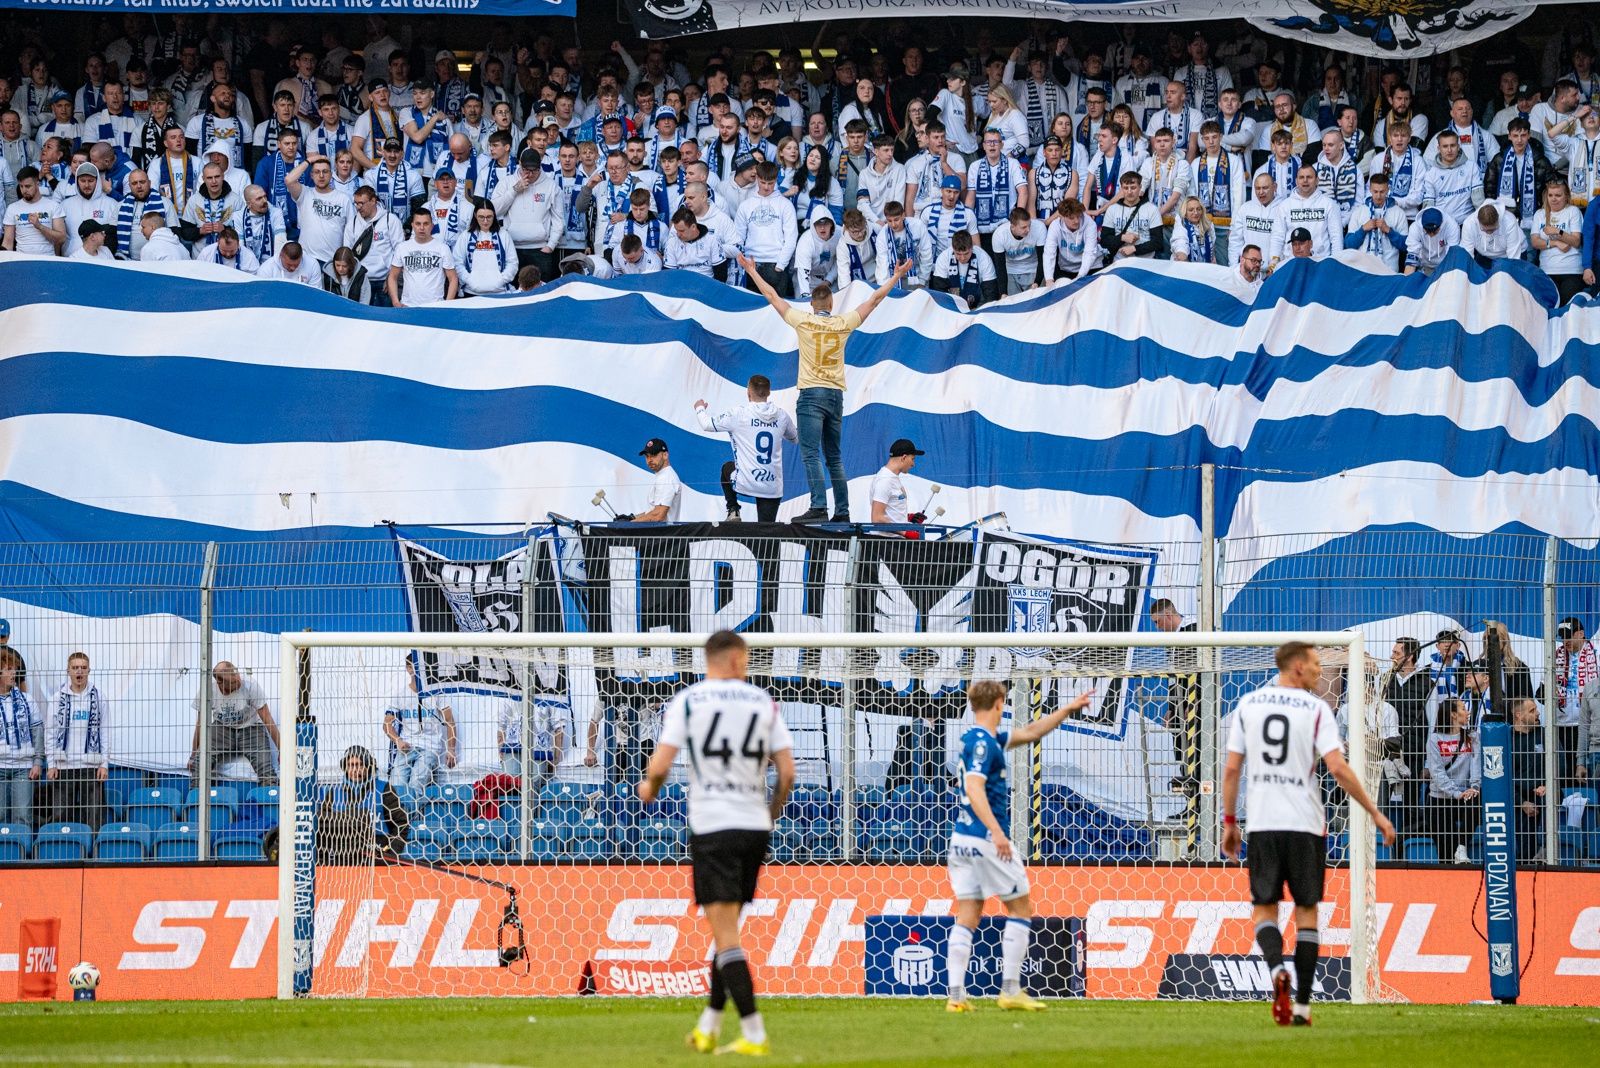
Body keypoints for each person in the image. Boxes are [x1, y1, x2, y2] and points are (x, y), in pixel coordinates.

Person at [1222, 641, 1396, 1026]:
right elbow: (1338, 768)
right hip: (1305, 824)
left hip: (1263, 823)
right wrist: (1375, 813)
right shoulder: (1317, 709)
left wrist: (1230, 823)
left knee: (1264, 909)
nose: (1321, 671)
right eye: (1317, 664)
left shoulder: (1249, 705)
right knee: (1306, 913)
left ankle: (1274, 972)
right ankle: (1301, 1006)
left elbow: (1232, 770)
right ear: (1297, 666)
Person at [639, 629, 795, 1057]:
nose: (746, 668)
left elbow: (661, 763)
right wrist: (770, 815)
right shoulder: (762, 702)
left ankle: (755, 1032)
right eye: (744, 661)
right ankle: (708, 1027)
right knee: (727, 930)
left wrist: (648, 787)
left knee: (726, 937)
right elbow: (787, 773)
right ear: (731, 660)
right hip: (754, 828)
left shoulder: (689, 700)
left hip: (713, 826)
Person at [945, 680, 1092, 1012]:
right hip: (985, 837)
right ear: (1000, 702)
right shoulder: (984, 744)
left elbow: (1030, 733)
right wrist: (997, 832)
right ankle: (1010, 990)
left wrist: (1067, 710)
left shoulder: (978, 738)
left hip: (961, 840)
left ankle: (955, 998)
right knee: (1020, 906)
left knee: (968, 912)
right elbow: (974, 787)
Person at [737, 251, 910, 522]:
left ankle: (819, 506)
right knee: (834, 457)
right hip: (834, 395)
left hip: (811, 394)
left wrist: (751, 271)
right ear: (831, 303)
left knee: (810, 453)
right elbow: (874, 300)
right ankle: (842, 511)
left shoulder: (803, 320)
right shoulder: (842, 323)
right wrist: (897, 276)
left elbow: (772, 296)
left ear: (811, 305)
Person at [693, 375, 797, 524]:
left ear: (748, 392)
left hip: (746, 482)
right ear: (768, 393)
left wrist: (699, 408)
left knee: (726, 468)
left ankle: (733, 510)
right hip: (771, 485)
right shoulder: (782, 416)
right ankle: (767, 544)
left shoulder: (738, 414)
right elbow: (795, 438)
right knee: (767, 535)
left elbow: (706, 424)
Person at [44, 652, 108, 828]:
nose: (79, 672)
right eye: (75, 668)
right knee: (62, 815)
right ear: (68, 671)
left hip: (91, 766)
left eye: (83, 668)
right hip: (64, 765)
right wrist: (51, 764)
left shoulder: (99, 697)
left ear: (89, 670)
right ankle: (64, 852)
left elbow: (104, 732)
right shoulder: (57, 698)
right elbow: (50, 732)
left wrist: (104, 764)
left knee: (94, 816)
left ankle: (93, 854)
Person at [316, 745, 410, 863]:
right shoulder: (334, 793)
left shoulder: (384, 789)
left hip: (377, 854)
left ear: (368, 766)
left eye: (360, 764)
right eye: (350, 765)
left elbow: (401, 824)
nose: (355, 769)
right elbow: (323, 826)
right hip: (342, 855)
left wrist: (391, 853)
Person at [191, 660, 280, 785]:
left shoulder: (249, 684)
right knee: (199, 765)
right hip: (222, 728)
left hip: (250, 727)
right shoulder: (208, 688)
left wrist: (282, 750)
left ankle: (270, 796)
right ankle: (199, 799)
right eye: (233, 683)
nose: (238, 682)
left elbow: (267, 719)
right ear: (219, 683)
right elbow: (200, 723)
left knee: (266, 771)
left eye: (237, 678)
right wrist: (193, 755)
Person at [382, 656, 456, 802]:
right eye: (413, 666)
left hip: (429, 747)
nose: (417, 670)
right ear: (408, 668)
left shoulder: (436, 693)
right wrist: (398, 740)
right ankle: (399, 820)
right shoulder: (400, 695)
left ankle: (407, 822)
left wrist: (451, 750)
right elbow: (386, 724)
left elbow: (450, 722)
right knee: (396, 787)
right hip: (406, 747)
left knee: (415, 785)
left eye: (421, 666)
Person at [1425, 696, 1481, 863]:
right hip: (1439, 798)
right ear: (1453, 715)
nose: (1468, 712)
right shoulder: (1435, 739)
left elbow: (1476, 765)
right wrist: (1456, 793)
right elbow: (1437, 772)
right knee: (1445, 853)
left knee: (1475, 799)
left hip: (1465, 795)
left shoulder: (1472, 737)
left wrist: (1474, 787)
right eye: (1463, 708)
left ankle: (1462, 847)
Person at [0, 648, 41, 829]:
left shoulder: (27, 699)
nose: (13, 673)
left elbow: (37, 730)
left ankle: (22, 854)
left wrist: (38, 761)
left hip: (23, 767)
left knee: (22, 816)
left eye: (14, 668)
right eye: (8, 669)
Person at [387, 205, 458, 306]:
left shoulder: (443, 248)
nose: (421, 228)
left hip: (435, 307)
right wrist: (395, 302)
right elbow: (393, 276)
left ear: (432, 226)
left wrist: (447, 305)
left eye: (425, 224)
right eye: (418, 224)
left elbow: (453, 278)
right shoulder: (402, 247)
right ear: (412, 225)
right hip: (408, 306)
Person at [1531, 177, 1585, 303]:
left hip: (1571, 270)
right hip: (1547, 270)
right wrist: (1554, 243)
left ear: (1566, 196)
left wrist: (1558, 232)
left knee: (1567, 310)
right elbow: (1534, 242)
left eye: (1558, 195)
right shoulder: (1540, 214)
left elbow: (1576, 241)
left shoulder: (1573, 211)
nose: (1553, 199)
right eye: (1550, 195)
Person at [616, 437, 681, 523]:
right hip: (659, 534)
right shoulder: (664, 476)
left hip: (661, 534)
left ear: (665, 455)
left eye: (653, 455)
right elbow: (653, 511)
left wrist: (629, 524)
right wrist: (632, 518)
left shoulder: (666, 477)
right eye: (647, 456)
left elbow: (658, 515)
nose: (649, 460)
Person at [930, 228, 1000, 308]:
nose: (962, 258)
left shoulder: (983, 258)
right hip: (952, 304)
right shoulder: (944, 257)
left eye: (966, 253)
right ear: (953, 248)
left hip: (979, 304)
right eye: (958, 254)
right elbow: (940, 290)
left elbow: (990, 292)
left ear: (972, 248)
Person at [870, 438, 926, 524]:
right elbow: (877, 518)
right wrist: (905, 532)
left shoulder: (892, 478)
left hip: (893, 536)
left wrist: (908, 518)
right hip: (885, 537)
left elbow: (890, 512)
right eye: (912, 459)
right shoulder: (885, 480)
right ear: (904, 458)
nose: (913, 464)